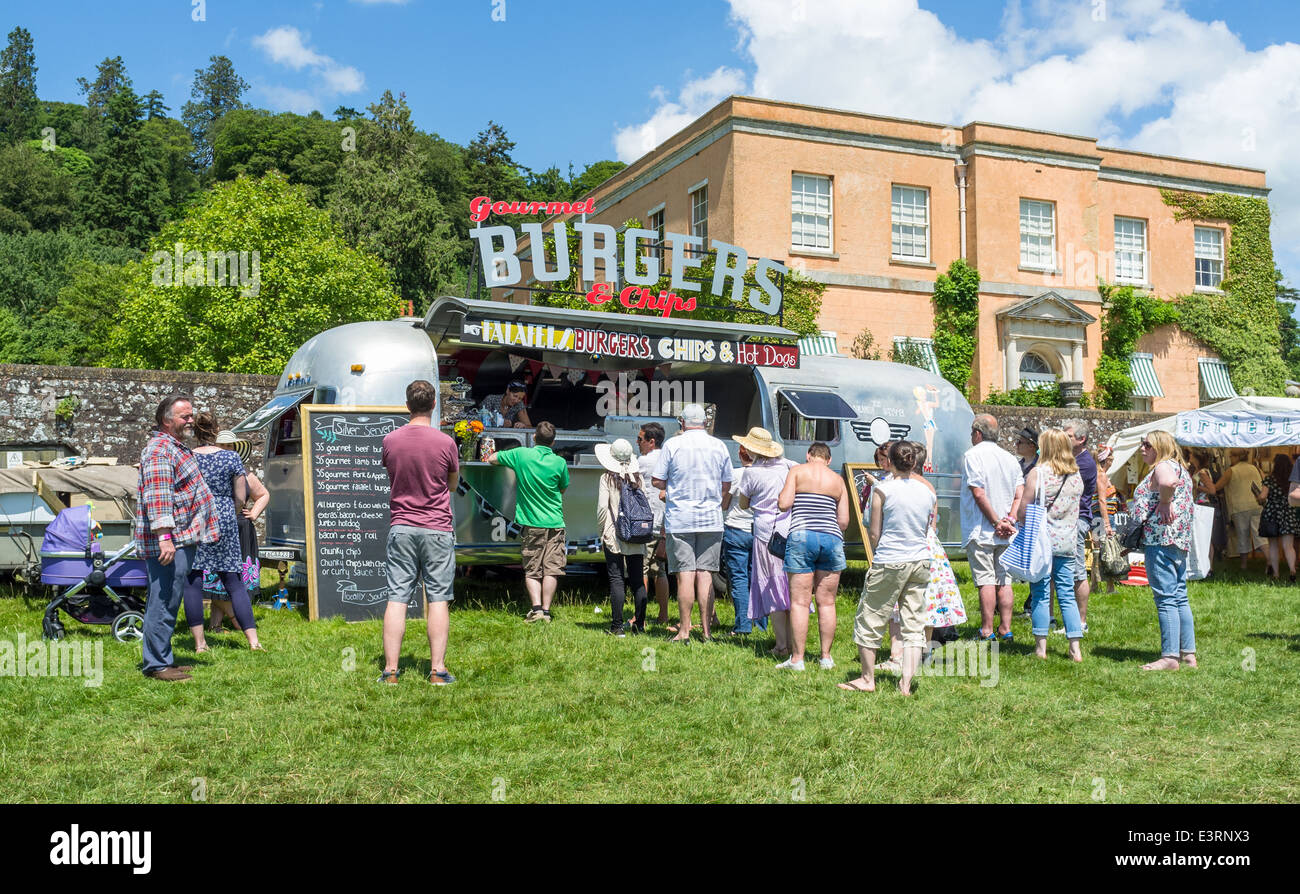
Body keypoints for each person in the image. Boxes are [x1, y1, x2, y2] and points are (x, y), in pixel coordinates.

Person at [379, 380, 459, 685]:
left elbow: (393, 476)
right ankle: (437, 670)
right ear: (434, 403)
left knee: (397, 598)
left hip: (402, 526)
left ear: (407, 404)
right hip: (437, 527)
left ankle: (390, 671)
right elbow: (452, 484)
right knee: (438, 598)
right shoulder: (445, 443)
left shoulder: (391, 440)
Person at [839, 441, 935, 696]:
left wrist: (880, 551)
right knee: (914, 624)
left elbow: (874, 531)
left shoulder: (882, 490)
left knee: (870, 617)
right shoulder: (928, 492)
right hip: (920, 560)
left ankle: (867, 679)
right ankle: (905, 684)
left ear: (890, 462)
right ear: (914, 462)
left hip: (890, 559)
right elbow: (927, 529)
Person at [136, 395, 219, 682]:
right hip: (171, 540)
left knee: (169, 599)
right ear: (166, 420)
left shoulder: (173, 448)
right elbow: (158, 499)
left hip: (181, 538)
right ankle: (157, 665)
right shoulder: (160, 450)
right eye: (184, 416)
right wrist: (164, 538)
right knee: (164, 599)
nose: (191, 420)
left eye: (191, 415)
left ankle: (162, 659)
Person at [652, 403, 732, 642]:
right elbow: (726, 484)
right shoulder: (718, 445)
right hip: (711, 519)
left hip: (681, 518)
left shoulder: (673, 445)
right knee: (705, 573)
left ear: (683, 423)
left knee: (685, 574)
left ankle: (684, 630)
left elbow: (657, 480)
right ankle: (707, 632)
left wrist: (674, 487)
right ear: (705, 423)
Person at [185, 414, 263, 653]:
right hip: (225, 519)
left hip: (195, 518)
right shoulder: (232, 457)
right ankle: (253, 641)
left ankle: (200, 644)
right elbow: (241, 496)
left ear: (195, 432)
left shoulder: (188, 457)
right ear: (216, 430)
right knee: (234, 582)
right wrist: (231, 510)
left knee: (193, 581)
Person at [776, 441, 849, 670]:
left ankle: (797, 659)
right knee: (827, 602)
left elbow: (784, 504)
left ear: (809, 455)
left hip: (802, 537)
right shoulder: (838, 480)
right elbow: (844, 521)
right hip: (832, 540)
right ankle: (826, 657)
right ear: (828, 460)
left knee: (799, 601)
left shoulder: (797, 471)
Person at [488, 420, 570, 622]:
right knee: (552, 568)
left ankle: (536, 610)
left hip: (532, 523)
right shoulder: (560, 462)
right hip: (555, 522)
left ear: (534, 437)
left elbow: (492, 458)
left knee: (532, 569)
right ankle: (547, 611)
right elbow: (563, 488)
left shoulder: (521, 454)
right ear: (553, 442)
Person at [1019, 429, 1085, 661]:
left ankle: (1041, 648)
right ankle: (1075, 646)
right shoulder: (1075, 474)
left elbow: (1024, 509)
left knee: (1040, 593)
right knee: (1067, 594)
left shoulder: (1038, 473)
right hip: (1067, 540)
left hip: (1042, 542)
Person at [1133, 431, 1196, 671]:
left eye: (1147, 444)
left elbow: (1167, 482)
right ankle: (1188, 654)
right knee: (1180, 596)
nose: (1142, 448)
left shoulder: (1163, 467)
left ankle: (1170, 657)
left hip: (1160, 539)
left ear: (1160, 447)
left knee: (1165, 598)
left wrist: (1164, 501)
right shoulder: (1181, 467)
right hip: (1177, 541)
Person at [960, 414, 1024, 641]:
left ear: (977, 433)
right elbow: (1019, 494)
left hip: (982, 528)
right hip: (1007, 530)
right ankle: (1006, 628)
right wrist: (1011, 519)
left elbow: (978, 493)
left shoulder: (972, 456)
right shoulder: (1010, 458)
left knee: (985, 580)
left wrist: (997, 522)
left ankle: (987, 629)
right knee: (1004, 580)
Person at [734, 428, 793, 652]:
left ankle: (781, 645)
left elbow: (743, 504)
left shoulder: (752, 472)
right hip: (789, 528)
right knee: (789, 585)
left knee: (773, 585)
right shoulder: (789, 466)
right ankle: (793, 641)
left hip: (765, 532)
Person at [205, 430, 270, 632]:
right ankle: (219, 623)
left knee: (233, 577)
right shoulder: (210, 470)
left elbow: (263, 494)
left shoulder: (244, 472)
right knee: (218, 576)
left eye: (229, 446)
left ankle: (228, 621)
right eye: (222, 446)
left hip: (240, 527)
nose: (226, 449)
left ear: (235, 449)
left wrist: (254, 513)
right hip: (217, 526)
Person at [595, 438, 648, 635]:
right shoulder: (638, 478)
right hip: (636, 532)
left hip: (614, 533)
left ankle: (617, 627)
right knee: (637, 580)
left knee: (617, 580)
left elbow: (602, 508)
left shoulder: (606, 478)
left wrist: (603, 531)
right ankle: (639, 625)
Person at [1062, 419, 1106, 632]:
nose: (1064, 437)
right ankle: (1069, 620)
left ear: (1081, 439)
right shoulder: (1073, 458)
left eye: (1068, 435)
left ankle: (1080, 622)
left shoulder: (1085, 463)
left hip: (1078, 520)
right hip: (1067, 520)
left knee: (1078, 572)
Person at [720, 444, 759, 636]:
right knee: (758, 579)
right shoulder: (765, 474)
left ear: (740, 454)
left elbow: (724, 503)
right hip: (759, 530)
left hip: (736, 529)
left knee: (739, 579)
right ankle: (761, 624)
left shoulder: (735, 475)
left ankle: (743, 625)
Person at [637, 423, 672, 627]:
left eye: (640, 439)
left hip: (646, 521)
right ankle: (663, 614)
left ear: (651, 442)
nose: (638, 442)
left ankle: (639, 614)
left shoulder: (643, 461)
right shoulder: (668, 459)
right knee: (660, 570)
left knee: (641, 569)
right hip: (665, 522)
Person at [1217, 448, 1264, 570]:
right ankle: (1270, 563)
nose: (1230, 459)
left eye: (1231, 456)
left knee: (1243, 537)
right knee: (1260, 537)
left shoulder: (1231, 471)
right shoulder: (1255, 468)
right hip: (1256, 505)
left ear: (1236, 457)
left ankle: (1244, 565)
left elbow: (1218, 486)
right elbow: (1264, 481)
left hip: (1240, 508)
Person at [1258, 453, 1298, 582]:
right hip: (1288, 512)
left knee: (1273, 546)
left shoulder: (1270, 479)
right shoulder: (1292, 480)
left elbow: (1263, 496)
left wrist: (1258, 498)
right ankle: (1292, 569)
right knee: (1288, 546)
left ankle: (1276, 574)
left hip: (1272, 513)